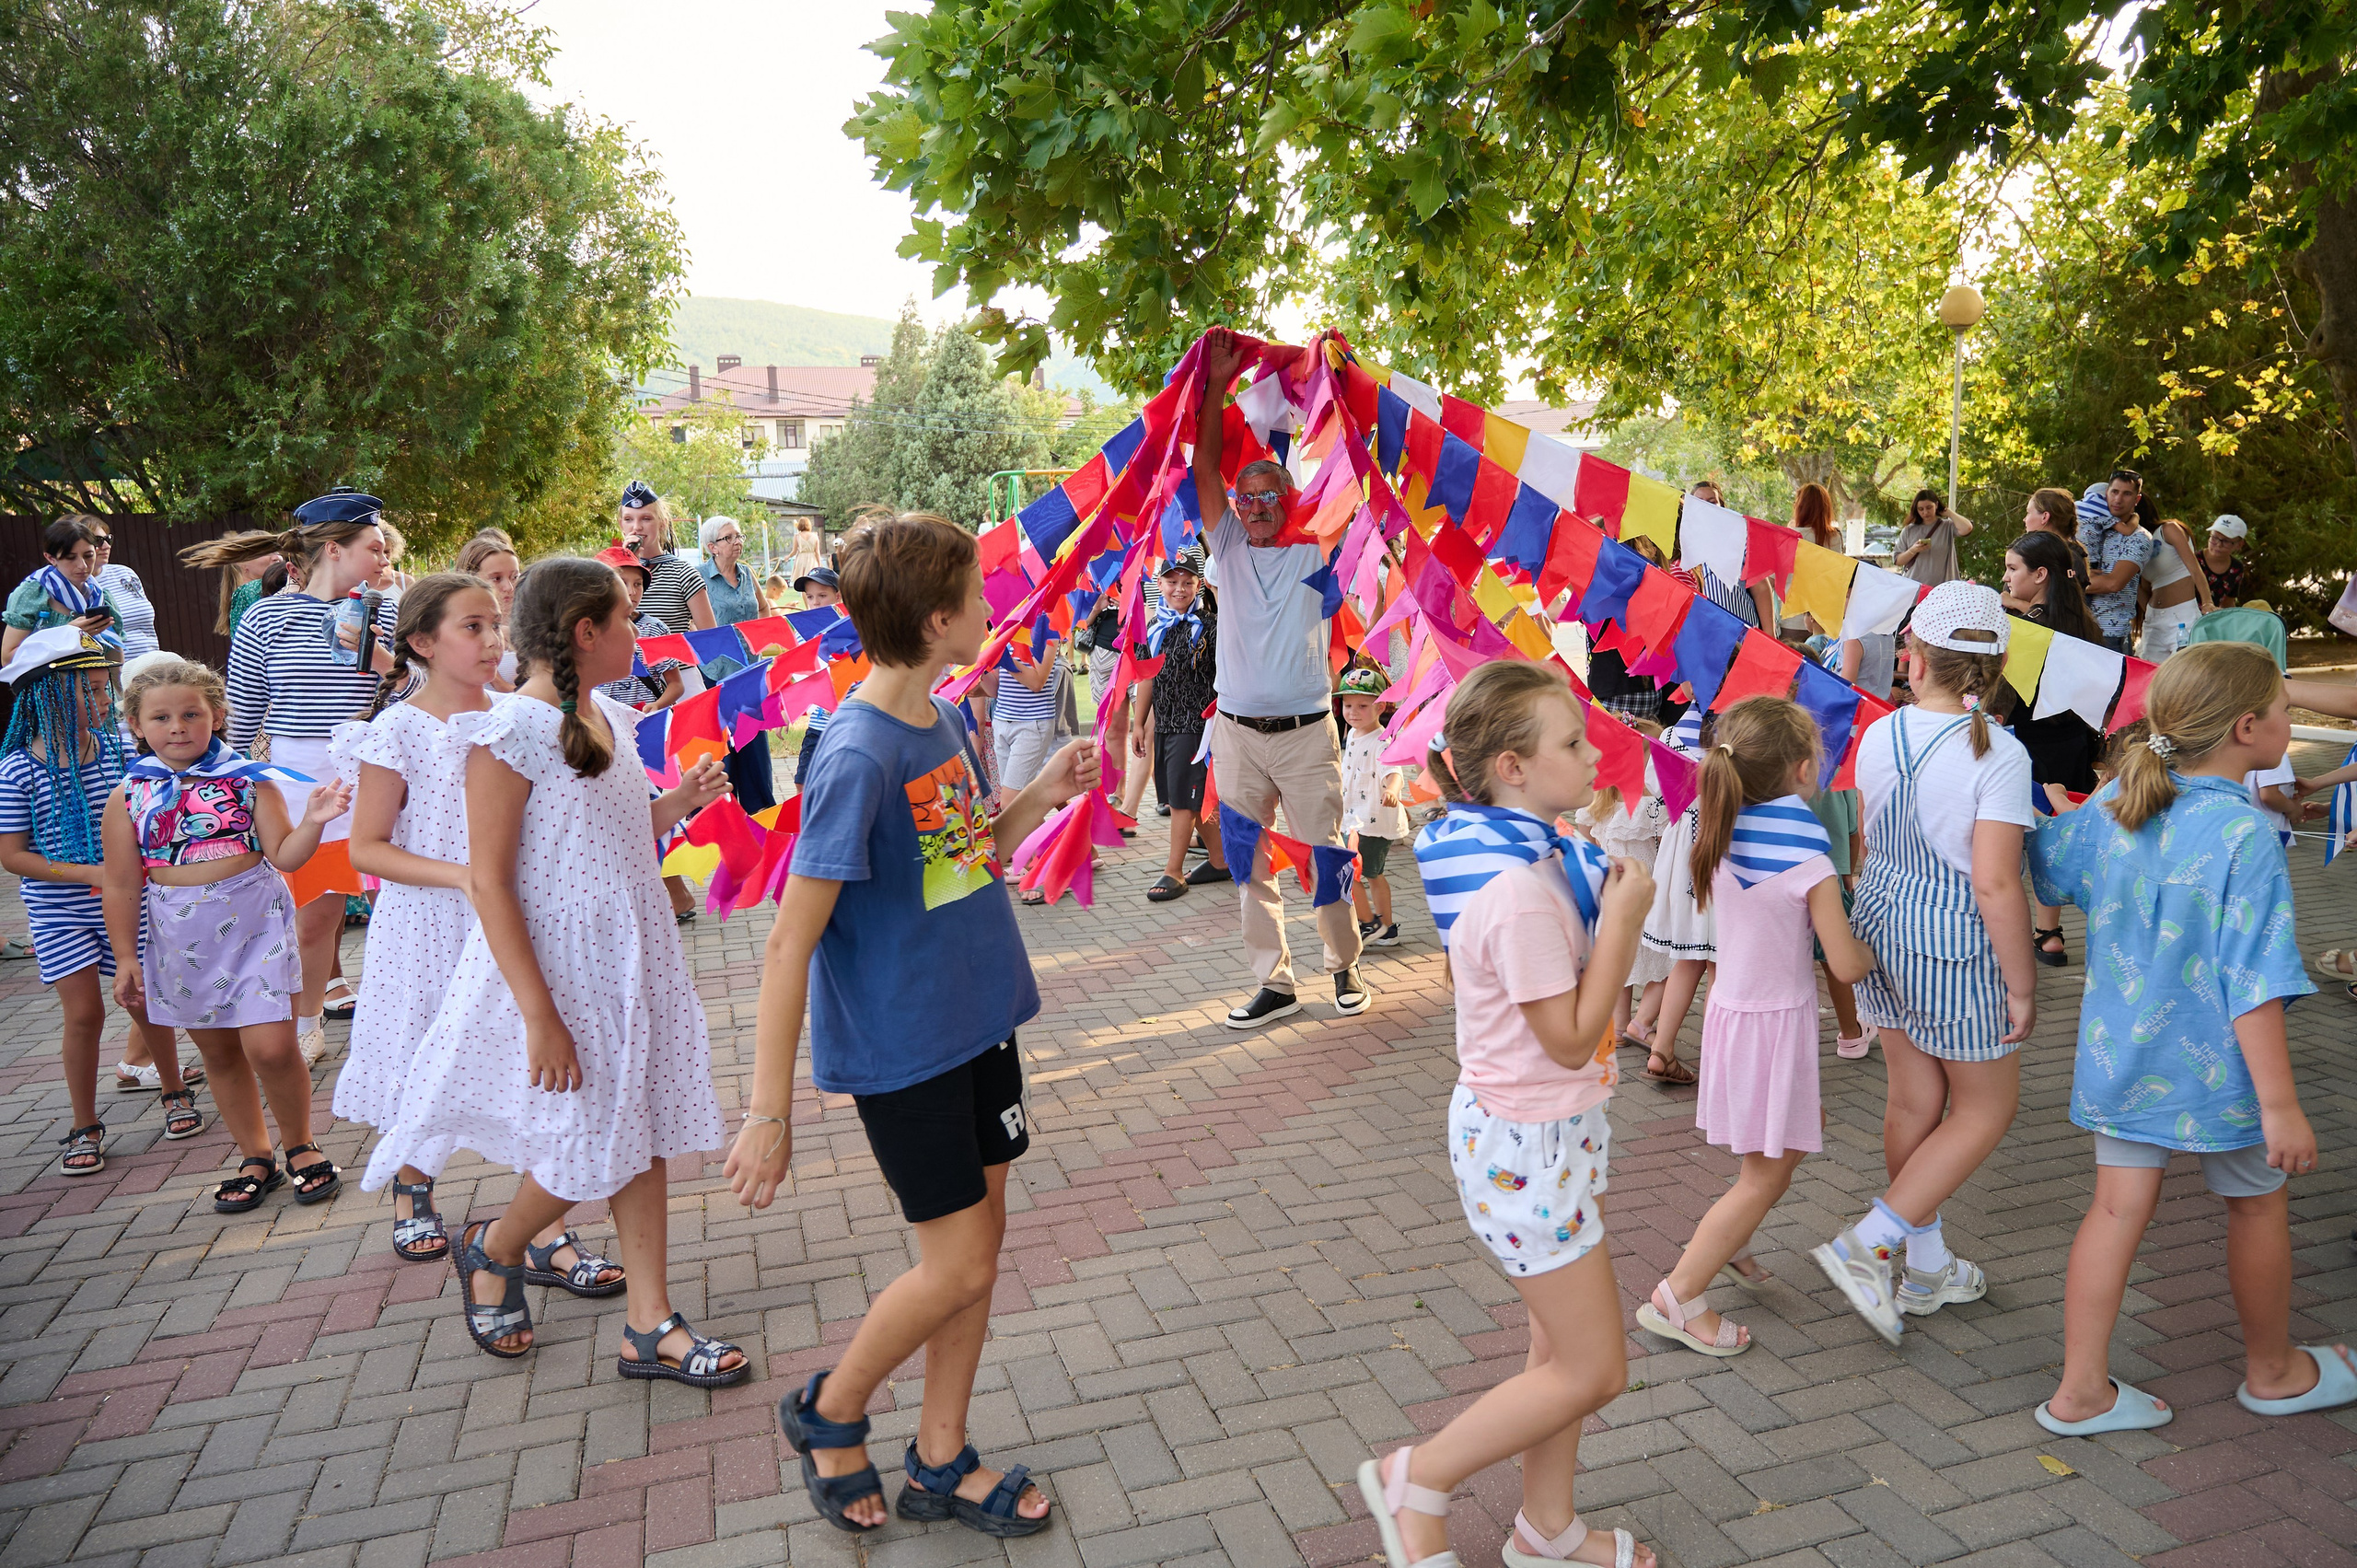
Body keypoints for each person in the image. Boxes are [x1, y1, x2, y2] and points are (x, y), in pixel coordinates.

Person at [729, 514, 1087, 1539]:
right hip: (906, 1052)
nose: (991, 610)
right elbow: (789, 942)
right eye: (977, 597)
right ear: (938, 620)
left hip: (980, 1023)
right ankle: (830, 1409)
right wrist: (768, 1112)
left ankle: (940, 1457)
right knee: (958, 1265)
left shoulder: (942, 715)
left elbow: (963, 857)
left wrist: (1035, 800)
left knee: (979, 1249)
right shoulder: (853, 755)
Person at [382, 557, 739, 1380]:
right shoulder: (510, 731)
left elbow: (607, 835)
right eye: (625, 619)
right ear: (586, 632)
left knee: (639, 1120)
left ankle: (648, 1322)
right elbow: (490, 880)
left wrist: (679, 803)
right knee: (593, 1135)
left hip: (631, 954)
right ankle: (496, 1245)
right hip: (564, 972)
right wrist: (539, 1013)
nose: (638, 633)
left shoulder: (611, 713)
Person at [1373, 659, 1658, 1568]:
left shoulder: (1522, 851)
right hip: (1528, 1143)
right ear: (1511, 767)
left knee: (1556, 1348)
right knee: (1593, 1366)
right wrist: (1622, 919)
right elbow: (1572, 1037)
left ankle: (1547, 1527)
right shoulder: (1519, 889)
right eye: (1568, 742)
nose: (1588, 752)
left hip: (1546, 1135)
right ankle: (1417, 1477)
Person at [2026, 642, 2352, 1431]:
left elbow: (2037, 864)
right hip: (2225, 1077)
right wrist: (2282, 1106)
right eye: (2283, 710)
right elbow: (2256, 982)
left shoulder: (2113, 808)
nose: (2290, 720)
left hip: (2121, 1060)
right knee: (2256, 1204)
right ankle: (2273, 1371)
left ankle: (2079, 1392)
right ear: (2249, 727)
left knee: (2113, 1211)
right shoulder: (2245, 837)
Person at [1813, 583, 2038, 1345]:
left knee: (1914, 1100)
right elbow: (1995, 881)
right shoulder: (1999, 753)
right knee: (1984, 1109)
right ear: (1999, 661)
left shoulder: (1883, 733)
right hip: (1953, 942)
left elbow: (1871, 844)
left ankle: (1928, 1262)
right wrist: (2021, 979)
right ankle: (1870, 1243)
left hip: (1882, 921)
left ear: (1914, 656)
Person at [1636, 696, 1873, 1356]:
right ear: (1801, 770)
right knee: (1764, 1175)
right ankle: (1679, 1295)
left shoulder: (1723, 824)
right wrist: (1878, 945)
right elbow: (1846, 964)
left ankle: (1732, 1244)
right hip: (1772, 1025)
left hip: (1737, 1016)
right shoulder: (1807, 855)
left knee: (1778, 1153)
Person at [100, 658, 351, 1213]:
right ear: (137, 726)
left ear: (216, 715)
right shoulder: (128, 796)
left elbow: (285, 854)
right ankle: (255, 1155)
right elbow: (120, 884)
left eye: (191, 713)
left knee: (273, 1048)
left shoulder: (247, 781)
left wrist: (315, 819)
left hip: (255, 928)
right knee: (219, 1054)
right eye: (161, 717)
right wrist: (124, 958)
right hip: (180, 941)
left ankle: (301, 1145)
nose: (178, 726)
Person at [337, 575, 534, 1266]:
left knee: (521, 1043)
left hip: (509, 911)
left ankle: (536, 1209)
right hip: (427, 921)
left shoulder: (517, 713)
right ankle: (412, 1185)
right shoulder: (399, 728)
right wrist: (463, 877)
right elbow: (367, 846)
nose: (492, 641)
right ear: (423, 641)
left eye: (495, 625)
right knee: (421, 1045)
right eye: (471, 627)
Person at [182, 489, 399, 1067]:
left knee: (370, 902)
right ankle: (299, 1021)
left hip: (373, 768)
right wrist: (226, 781)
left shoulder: (389, 611)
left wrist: (387, 661)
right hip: (297, 774)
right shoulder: (264, 615)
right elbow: (246, 712)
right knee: (304, 910)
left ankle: (397, 1011)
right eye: (373, 547)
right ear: (334, 548)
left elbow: (418, 696)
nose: (384, 558)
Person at [1194, 327, 1368, 1028]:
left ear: (1289, 501)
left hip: (1304, 736)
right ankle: (1275, 981)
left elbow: (1354, 474)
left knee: (1326, 857)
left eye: (1271, 495)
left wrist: (1338, 384)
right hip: (1236, 735)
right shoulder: (1227, 546)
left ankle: (1344, 964)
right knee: (1247, 863)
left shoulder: (1317, 550)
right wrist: (1215, 386)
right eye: (1250, 496)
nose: (1259, 504)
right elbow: (1206, 467)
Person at [1, 632, 201, 1173]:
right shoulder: (17, 768)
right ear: (47, 696)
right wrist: (94, 871)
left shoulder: (120, 755)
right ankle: (83, 1123)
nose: (104, 701)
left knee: (143, 998)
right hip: (57, 910)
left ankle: (174, 1090)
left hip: (125, 904)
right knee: (84, 1014)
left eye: (102, 689)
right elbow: (13, 856)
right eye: (89, 691)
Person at [2003, 532, 2105, 966]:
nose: (2004, 578)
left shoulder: (2030, 633)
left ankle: (2010, 935)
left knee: (2013, 848)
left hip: (2031, 750)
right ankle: (2050, 933)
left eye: (2012, 569)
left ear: (2040, 574)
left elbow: (2002, 704)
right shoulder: (2087, 624)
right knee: (2058, 842)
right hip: (2077, 745)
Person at [1132, 552, 1227, 900]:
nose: (1180, 589)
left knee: (1182, 802)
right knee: (1189, 795)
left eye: (1187, 582)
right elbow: (1146, 678)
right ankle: (1220, 860)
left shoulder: (1212, 626)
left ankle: (1173, 870)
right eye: (1172, 582)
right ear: (1160, 584)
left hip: (1198, 724)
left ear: (1199, 584)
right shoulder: (1153, 628)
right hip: (1167, 724)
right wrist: (1139, 724)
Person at [1635, 707, 1712, 1086]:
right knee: (1719, 962)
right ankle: (1720, 1061)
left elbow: (1657, 789)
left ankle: (1662, 1048)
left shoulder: (1672, 736)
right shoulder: (1743, 734)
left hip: (1682, 851)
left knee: (1689, 959)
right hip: (1723, 851)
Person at [696, 515, 777, 814]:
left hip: (749, 675)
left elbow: (764, 605)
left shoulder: (746, 573)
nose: (737, 542)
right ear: (712, 547)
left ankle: (761, 816)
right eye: (729, 538)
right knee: (724, 754)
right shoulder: (699, 577)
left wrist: (762, 637)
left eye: (739, 536)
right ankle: (726, 819)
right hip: (716, 678)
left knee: (754, 752)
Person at [1336, 666, 1408, 942]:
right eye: (1348, 704)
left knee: (1352, 872)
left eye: (1363, 706)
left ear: (1380, 707)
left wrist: (1392, 790)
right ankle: (1386, 928)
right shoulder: (1352, 735)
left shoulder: (1383, 740)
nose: (1353, 711)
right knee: (1371, 874)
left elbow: (1395, 774)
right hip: (1354, 818)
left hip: (1374, 820)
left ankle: (1370, 922)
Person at [5, 517, 121, 662]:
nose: (83, 565)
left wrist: (119, 684)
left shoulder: (101, 597)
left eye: (88, 556)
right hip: (50, 684)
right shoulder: (34, 593)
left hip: (98, 684)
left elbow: (114, 655)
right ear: (51, 558)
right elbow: (8, 657)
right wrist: (66, 634)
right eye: (70, 557)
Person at [590, 546, 686, 711]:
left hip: (646, 723)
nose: (632, 591)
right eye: (622, 583)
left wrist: (657, 705)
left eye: (638, 584)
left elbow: (676, 684)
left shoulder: (655, 629)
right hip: (602, 724)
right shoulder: (587, 630)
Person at [616, 481, 715, 634]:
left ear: (662, 523)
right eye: (629, 519)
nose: (636, 527)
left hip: (671, 658)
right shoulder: (609, 572)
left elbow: (711, 637)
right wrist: (624, 564)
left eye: (646, 519)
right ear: (620, 523)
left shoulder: (683, 574)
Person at [2074, 469, 2154, 654]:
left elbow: (2113, 583)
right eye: (2114, 492)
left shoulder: (2139, 537)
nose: (2118, 499)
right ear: (2106, 494)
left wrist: (2067, 581)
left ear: (2137, 499)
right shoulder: (2089, 525)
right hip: (2075, 629)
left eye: (2127, 494)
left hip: (2110, 634)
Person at [1684, 479, 1776, 630]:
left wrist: (1770, 635)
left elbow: (1761, 589)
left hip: (1742, 630)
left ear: (1722, 507)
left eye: (1712, 502)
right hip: (1702, 633)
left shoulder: (1739, 540)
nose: (1706, 506)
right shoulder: (1683, 544)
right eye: (1699, 502)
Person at [2137, 514, 2213, 662]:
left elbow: (2195, 570)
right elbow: (2144, 590)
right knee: (2150, 679)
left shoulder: (2168, 530)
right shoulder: (2135, 542)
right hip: (2153, 621)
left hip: (2182, 617)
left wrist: (2207, 602)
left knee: (2182, 675)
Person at [83, 521, 158, 661]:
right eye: (98, 541)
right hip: (116, 673)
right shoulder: (77, 586)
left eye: (108, 539)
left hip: (151, 667)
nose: (106, 546)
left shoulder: (124, 573)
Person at [207, 532, 284, 638]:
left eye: (277, 551)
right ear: (242, 562)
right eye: (267, 552)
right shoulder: (248, 591)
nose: (277, 558)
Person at [1893, 490, 1974, 587]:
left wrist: (1948, 513)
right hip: (1915, 586)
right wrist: (1913, 550)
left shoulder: (1947, 526)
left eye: (1929, 507)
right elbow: (1897, 560)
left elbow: (1967, 528)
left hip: (1943, 588)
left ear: (1936, 505)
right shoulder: (1909, 530)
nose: (1925, 512)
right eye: (1921, 509)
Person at [2200, 514, 2250, 608]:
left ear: (2239, 544)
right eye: (2214, 538)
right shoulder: (2194, 560)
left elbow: (2228, 603)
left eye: (2226, 541)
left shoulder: (2236, 568)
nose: (2218, 545)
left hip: (2211, 618)